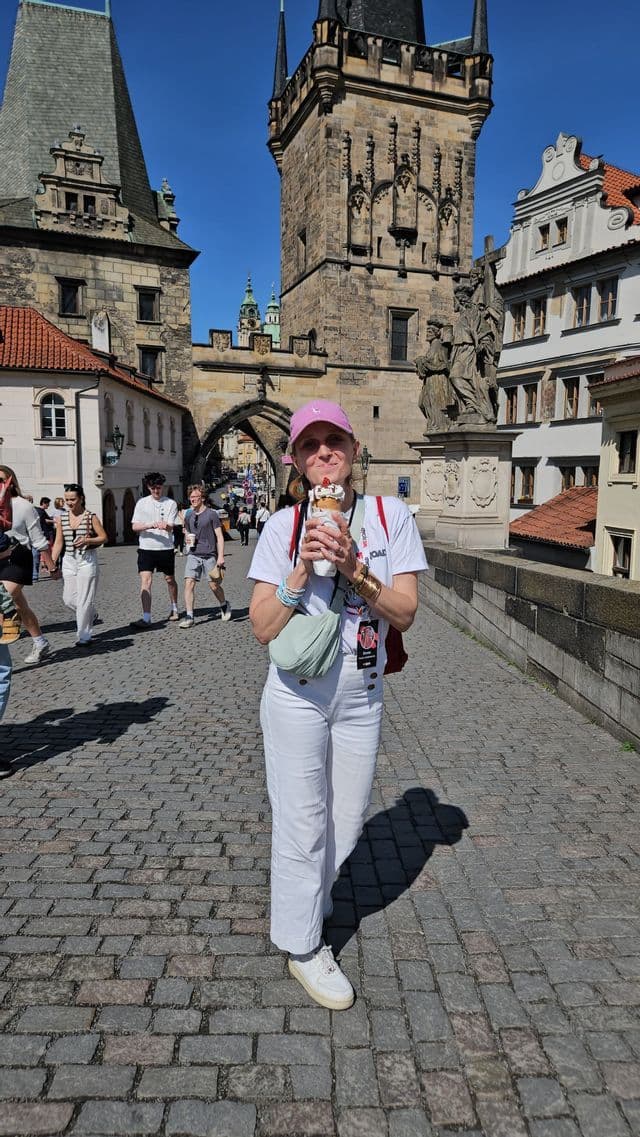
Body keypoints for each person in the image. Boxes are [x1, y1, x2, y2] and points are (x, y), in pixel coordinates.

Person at [248, 400, 427, 1010]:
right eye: (310, 445)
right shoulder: (282, 527)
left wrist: (352, 565)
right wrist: (301, 568)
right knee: (302, 822)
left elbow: (404, 612)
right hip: (298, 696)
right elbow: (262, 628)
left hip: (363, 696)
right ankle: (302, 946)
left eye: (335, 442)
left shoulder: (389, 515)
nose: (324, 454)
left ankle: (313, 894)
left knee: (344, 825)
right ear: (297, 461)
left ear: (352, 451)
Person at [0, 466, 58, 665]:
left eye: (1, 479)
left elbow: (38, 539)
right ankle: (40, 642)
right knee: (19, 605)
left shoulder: (22, 506)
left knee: (2, 599)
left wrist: (51, 566)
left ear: (11, 482)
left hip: (18, 558)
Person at [51, 484, 107, 648]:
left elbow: (104, 537)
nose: (69, 502)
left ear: (81, 498)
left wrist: (88, 540)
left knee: (84, 599)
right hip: (69, 560)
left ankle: (84, 636)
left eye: (72, 499)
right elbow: (58, 542)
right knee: (68, 599)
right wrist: (52, 561)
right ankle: (91, 612)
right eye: (67, 499)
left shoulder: (91, 517)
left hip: (87, 560)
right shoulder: (62, 518)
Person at [129, 473, 179, 629]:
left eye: (158, 487)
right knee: (146, 581)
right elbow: (134, 527)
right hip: (146, 548)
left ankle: (174, 608)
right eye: (153, 488)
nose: (156, 491)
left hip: (165, 547)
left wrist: (167, 526)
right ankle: (146, 617)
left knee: (169, 580)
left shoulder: (171, 503)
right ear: (148, 487)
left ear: (162, 487)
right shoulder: (141, 503)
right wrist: (149, 525)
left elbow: (172, 526)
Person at [179, 485, 231, 628]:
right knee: (189, 583)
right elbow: (188, 533)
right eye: (191, 497)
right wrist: (186, 537)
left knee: (214, 586)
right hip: (193, 554)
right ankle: (190, 616)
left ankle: (224, 604)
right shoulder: (189, 514)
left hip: (209, 555)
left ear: (202, 498)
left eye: (195, 497)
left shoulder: (211, 514)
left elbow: (220, 537)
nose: (193, 499)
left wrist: (220, 556)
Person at [32, 497, 55, 582]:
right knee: (45, 554)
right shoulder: (40, 511)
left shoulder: (37, 510)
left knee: (37, 555)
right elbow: (45, 521)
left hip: (38, 535)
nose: (48, 506)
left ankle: (35, 575)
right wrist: (55, 521)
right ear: (44, 503)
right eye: (48, 504)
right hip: (42, 535)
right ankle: (51, 571)